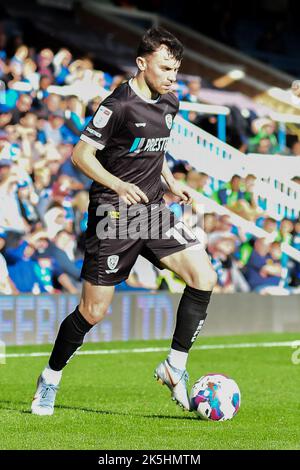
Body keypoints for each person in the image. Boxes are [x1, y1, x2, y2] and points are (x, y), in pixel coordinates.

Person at [31, 27, 217, 416]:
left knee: (204, 276)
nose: (172, 77)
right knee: (93, 312)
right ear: (141, 62)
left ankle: (175, 367)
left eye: (176, 70)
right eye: (165, 68)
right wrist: (117, 183)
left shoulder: (170, 101)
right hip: (113, 217)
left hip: (151, 210)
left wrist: (170, 182)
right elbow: (81, 156)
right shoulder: (117, 105)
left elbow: (154, 150)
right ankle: (50, 378)